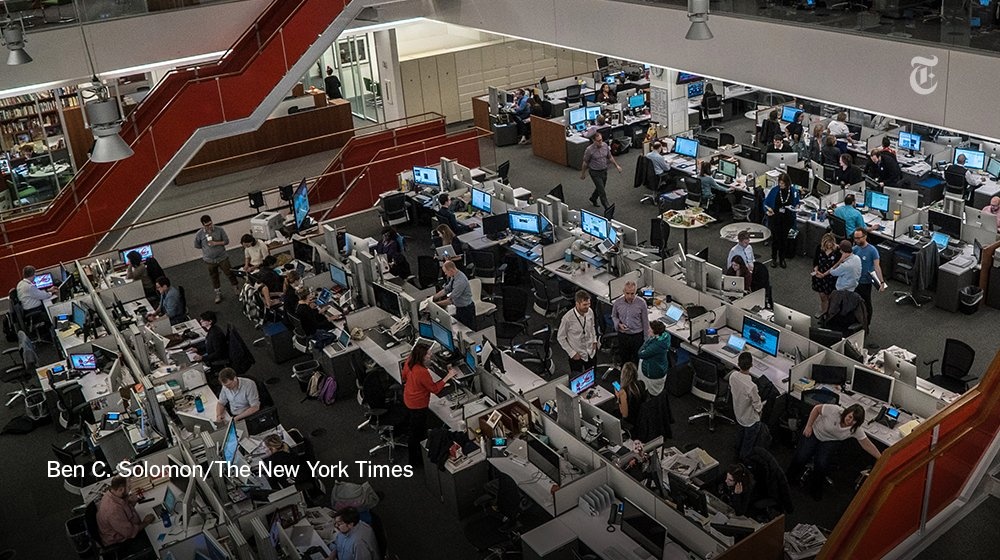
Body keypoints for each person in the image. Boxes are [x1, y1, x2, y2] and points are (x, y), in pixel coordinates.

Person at [786, 403, 881, 499]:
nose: (850, 421)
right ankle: (788, 479)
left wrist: (881, 458)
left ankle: (815, 489)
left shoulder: (855, 429)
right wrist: (808, 426)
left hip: (830, 440)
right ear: (846, 412)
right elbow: (816, 409)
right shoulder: (834, 411)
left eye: (854, 420)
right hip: (816, 431)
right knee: (801, 456)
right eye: (850, 417)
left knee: (821, 464)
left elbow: (866, 444)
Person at [402, 343, 457, 466]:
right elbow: (434, 389)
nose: (430, 355)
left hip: (408, 399)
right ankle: (417, 461)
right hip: (418, 405)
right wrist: (448, 376)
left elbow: (404, 376)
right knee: (418, 433)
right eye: (428, 354)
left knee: (414, 430)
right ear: (422, 356)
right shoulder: (421, 372)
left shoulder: (409, 360)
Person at [96, 476, 155, 554]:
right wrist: (145, 522)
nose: (130, 490)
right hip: (121, 542)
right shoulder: (113, 510)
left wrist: (132, 502)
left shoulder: (110, 493)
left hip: (123, 528)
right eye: (129, 487)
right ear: (121, 489)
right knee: (153, 537)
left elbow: (124, 511)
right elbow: (130, 532)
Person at [194, 215, 239, 304]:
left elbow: (226, 241)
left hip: (222, 257)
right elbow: (197, 245)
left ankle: (236, 288)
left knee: (229, 273)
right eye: (207, 225)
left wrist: (216, 243)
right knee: (214, 276)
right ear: (203, 225)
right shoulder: (199, 234)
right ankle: (218, 293)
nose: (209, 226)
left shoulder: (219, 230)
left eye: (210, 224)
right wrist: (206, 249)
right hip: (209, 260)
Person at [730, 352, 763, 460]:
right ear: (751, 365)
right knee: (748, 443)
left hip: (738, 413)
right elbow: (758, 406)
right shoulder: (751, 386)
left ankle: (736, 451)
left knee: (740, 434)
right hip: (750, 420)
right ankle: (743, 461)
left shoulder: (733, 376)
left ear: (738, 364)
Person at [764, 172, 799, 268]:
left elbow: (797, 202)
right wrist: (768, 210)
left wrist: (796, 206)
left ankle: (782, 259)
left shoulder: (793, 191)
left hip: (787, 219)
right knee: (775, 240)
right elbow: (766, 203)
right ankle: (774, 258)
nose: (781, 185)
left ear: (787, 183)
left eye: (783, 183)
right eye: (780, 183)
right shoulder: (775, 190)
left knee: (784, 240)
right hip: (775, 218)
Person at [557, 290, 598, 373]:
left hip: (590, 351)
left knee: (592, 376)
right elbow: (560, 337)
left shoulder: (590, 312)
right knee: (577, 379)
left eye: (589, 304)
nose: (587, 307)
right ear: (577, 304)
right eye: (585, 305)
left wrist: (594, 340)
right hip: (577, 354)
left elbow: (592, 326)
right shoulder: (567, 318)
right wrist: (572, 353)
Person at [611, 281, 650, 366]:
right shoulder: (618, 302)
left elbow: (645, 322)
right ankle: (625, 377)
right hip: (623, 335)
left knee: (637, 360)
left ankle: (635, 378)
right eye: (627, 293)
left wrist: (646, 340)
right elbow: (614, 316)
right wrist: (618, 324)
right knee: (624, 360)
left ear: (636, 292)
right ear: (623, 292)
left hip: (637, 336)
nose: (629, 296)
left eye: (632, 293)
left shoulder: (641, 303)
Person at [580, 132, 622, 209]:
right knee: (602, 191)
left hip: (604, 171)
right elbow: (585, 162)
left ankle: (593, 198)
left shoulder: (605, 146)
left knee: (601, 187)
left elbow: (610, 157)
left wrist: (617, 166)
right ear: (594, 141)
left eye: (601, 140)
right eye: (598, 141)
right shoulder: (589, 150)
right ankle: (607, 207)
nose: (600, 142)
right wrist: (583, 174)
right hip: (595, 172)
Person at [852, 228, 884, 323]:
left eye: (859, 238)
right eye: (855, 238)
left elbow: (877, 267)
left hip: (865, 282)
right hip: (855, 281)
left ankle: (866, 323)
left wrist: (881, 281)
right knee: (854, 302)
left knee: (866, 303)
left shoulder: (872, 250)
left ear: (865, 237)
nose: (857, 240)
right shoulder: (855, 249)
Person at [432, 261, 475, 329]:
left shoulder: (460, 281)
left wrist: (434, 304)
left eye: (446, 272)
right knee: (460, 328)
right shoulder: (454, 275)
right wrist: (433, 298)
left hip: (466, 309)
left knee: (467, 330)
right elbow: (446, 289)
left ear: (451, 270)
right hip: (459, 307)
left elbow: (450, 301)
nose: (445, 274)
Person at [637, 320, 670, 397]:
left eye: (650, 329)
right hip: (661, 367)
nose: (648, 330)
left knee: (651, 394)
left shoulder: (656, 346)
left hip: (652, 372)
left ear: (656, 332)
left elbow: (640, 353)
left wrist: (647, 341)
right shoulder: (666, 336)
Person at [812, 233, 839, 315]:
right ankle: (823, 310)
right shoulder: (819, 248)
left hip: (830, 278)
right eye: (827, 244)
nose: (829, 246)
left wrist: (824, 274)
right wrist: (816, 271)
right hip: (819, 276)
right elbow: (815, 262)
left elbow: (836, 266)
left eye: (831, 244)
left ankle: (829, 313)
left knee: (830, 297)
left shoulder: (837, 251)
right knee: (822, 296)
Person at [616, 362, 647, 428]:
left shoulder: (623, 392)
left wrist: (619, 398)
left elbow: (624, 415)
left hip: (631, 421)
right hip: (641, 415)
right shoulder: (641, 383)